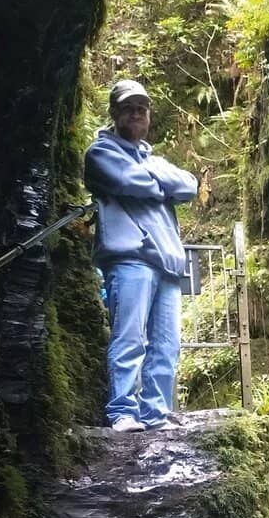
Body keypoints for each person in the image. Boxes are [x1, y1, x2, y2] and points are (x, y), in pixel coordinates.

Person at [85, 79, 198, 431]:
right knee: (129, 338)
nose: (136, 114)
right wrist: (163, 183)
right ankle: (122, 411)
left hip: (167, 264)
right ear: (114, 113)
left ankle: (156, 412)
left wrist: (158, 179)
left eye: (142, 109)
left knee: (167, 345)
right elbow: (128, 182)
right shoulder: (99, 154)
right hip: (129, 259)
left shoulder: (155, 159)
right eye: (129, 108)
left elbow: (189, 186)